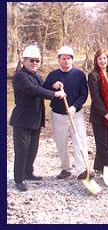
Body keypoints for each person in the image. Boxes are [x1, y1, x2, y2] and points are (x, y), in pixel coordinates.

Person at [10, 45, 66, 191]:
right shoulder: (20, 76)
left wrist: (54, 86)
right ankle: (19, 179)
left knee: (32, 148)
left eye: (37, 61)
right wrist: (55, 95)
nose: (35, 63)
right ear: (24, 61)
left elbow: (43, 87)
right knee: (21, 149)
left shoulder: (36, 75)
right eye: (32, 60)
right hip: (22, 120)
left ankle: (28, 172)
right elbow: (34, 90)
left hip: (35, 118)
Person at [43, 45, 91, 180]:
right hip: (58, 114)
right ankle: (66, 169)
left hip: (76, 113)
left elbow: (84, 94)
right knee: (61, 142)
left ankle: (81, 170)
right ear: (59, 60)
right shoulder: (53, 75)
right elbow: (44, 91)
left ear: (72, 60)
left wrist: (74, 107)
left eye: (69, 58)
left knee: (79, 140)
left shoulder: (79, 74)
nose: (66, 61)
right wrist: (53, 87)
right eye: (63, 58)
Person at [87, 49, 108, 173]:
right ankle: (107, 169)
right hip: (99, 115)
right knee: (102, 143)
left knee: (106, 140)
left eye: (105, 58)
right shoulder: (93, 75)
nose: (102, 61)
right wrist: (105, 113)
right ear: (96, 60)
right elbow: (95, 98)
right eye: (100, 58)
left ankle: (98, 167)